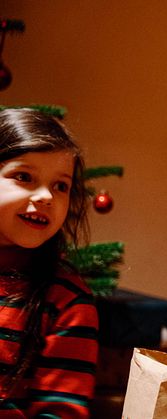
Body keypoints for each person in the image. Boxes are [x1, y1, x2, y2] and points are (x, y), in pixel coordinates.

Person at [0, 108, 98, 417]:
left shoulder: (69, 302)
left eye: (60, 186)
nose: (45, 196)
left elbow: (61, 411)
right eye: (24, 177)